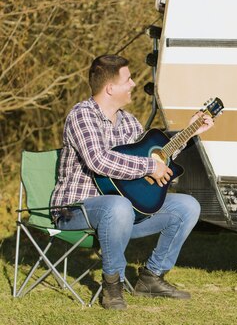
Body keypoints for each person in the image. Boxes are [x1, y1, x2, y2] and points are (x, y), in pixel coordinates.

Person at [50, 54, 214, 310]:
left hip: (124, 213)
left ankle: (151, 277)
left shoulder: (127, 120)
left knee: (187, 206)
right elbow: (98, 161)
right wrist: (150, 166)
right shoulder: (82, 115)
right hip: (74, 210)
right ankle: (112, 283)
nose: (134, 84)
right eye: (128, 79)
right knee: (118, 206)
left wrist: (189, 131)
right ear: (110, 88)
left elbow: (158, 153)